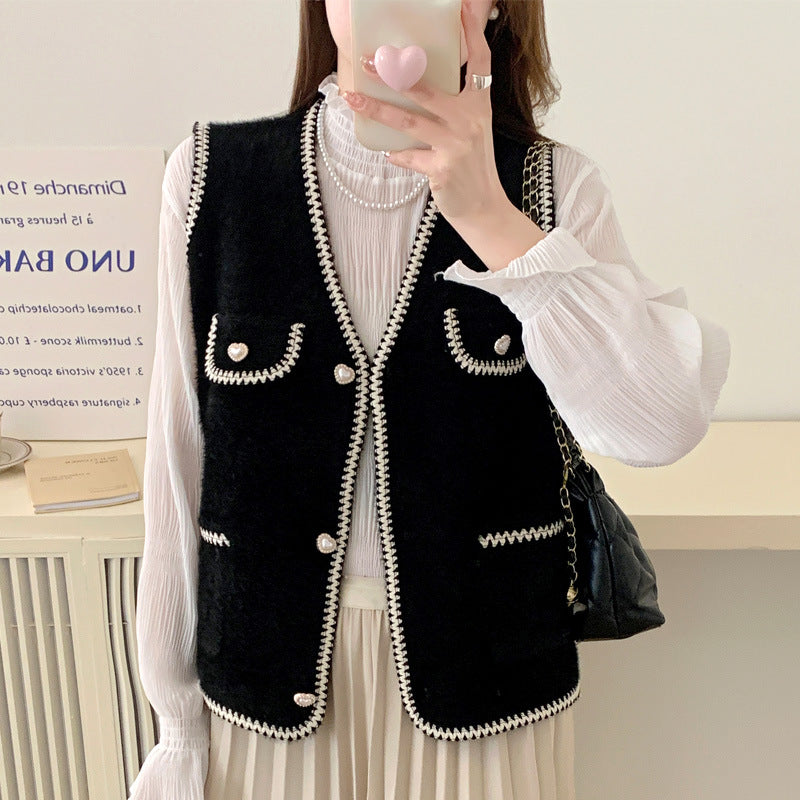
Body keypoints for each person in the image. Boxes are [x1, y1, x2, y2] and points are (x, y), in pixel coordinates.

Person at [128, 1, 730, 798]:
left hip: (491, 696)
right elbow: (178, 462)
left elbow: (659, 424)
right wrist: (176, 724)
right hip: (264, 691)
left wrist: (490, 216)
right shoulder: (212, 178)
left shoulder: (553, 188)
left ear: (491, 6)